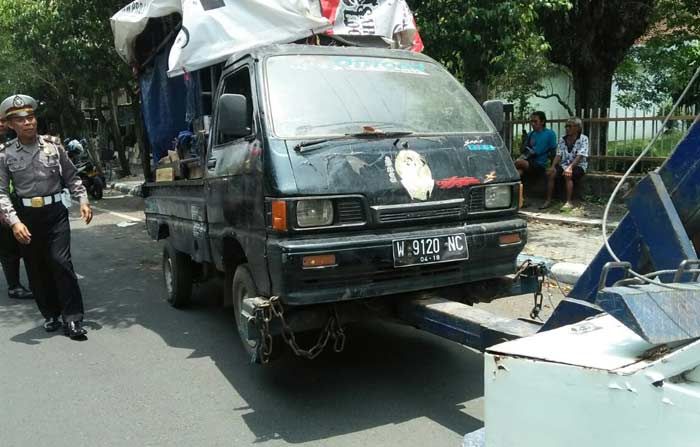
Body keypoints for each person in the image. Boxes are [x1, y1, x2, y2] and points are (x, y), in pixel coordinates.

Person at [0, 95, 93, 339]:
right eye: (20, 120)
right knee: (36, 267)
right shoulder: (5, 154)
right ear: (11, 125)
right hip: (26, 216)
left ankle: (73, 318)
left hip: (55, 214)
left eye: (30, 117)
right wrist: (14, 221)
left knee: (61, 262)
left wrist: (83, 200)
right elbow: (1, 193)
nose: (28, 123)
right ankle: (50, 314)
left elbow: (73, 177)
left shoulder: (54, 146)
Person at [0, 118, 32, 299]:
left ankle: (38, 281)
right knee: (8, 247)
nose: (1, 124)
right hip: (3, 203)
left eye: (4, 120)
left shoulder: (9, 145)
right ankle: (14, 286)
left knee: (26, 241)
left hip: (18, 200)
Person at [540, 117, 589, 210]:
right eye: (566, 126)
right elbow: (558, 154)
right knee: (552, 174)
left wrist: (570, 167)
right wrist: (553, 166)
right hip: (564, 164)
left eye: (570, 126)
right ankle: (548, 200)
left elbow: (580, 155)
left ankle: (569, 202)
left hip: (578, 165)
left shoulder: (583, 139)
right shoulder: (562, 139)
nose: (567, 128)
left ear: (577, 128)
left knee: (568, 175)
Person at [514, 111, 557, 180]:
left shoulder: (550, 134)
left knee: (519, 162)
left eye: (535, 121)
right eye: (531, 121)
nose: (533, 124)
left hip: (540, 164)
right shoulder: (530, 134)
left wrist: (553, 166)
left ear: (542, 122)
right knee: (519, 172)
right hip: (529, 161)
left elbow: (553, 151)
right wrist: (524, 141)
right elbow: (523, 151)